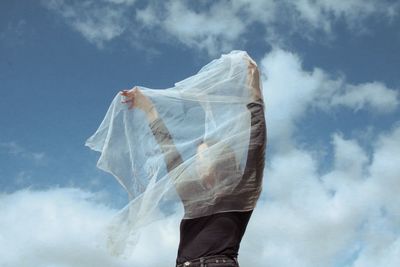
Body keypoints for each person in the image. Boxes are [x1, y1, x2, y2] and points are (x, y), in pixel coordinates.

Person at [119, 57, 266, 267]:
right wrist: (149, 110)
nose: (197, 162)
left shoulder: (242, 192)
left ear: (221, 161)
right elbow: (171, 155)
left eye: (202, 156)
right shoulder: (193, 195)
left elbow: (256, 143)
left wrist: (254, 88)